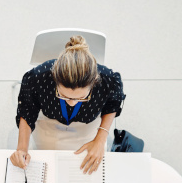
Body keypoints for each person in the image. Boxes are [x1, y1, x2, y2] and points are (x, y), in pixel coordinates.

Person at [10, 35, 126, 175]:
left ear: (94, 82)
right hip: (49, 124)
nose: (71, 102)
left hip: (89, 128)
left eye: (81, 98)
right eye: (64, 96)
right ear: (54, 79)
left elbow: (113, 104)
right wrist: (22, 148)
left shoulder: (107, 79)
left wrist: (100, 140)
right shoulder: (38, 77)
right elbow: (27, 110)